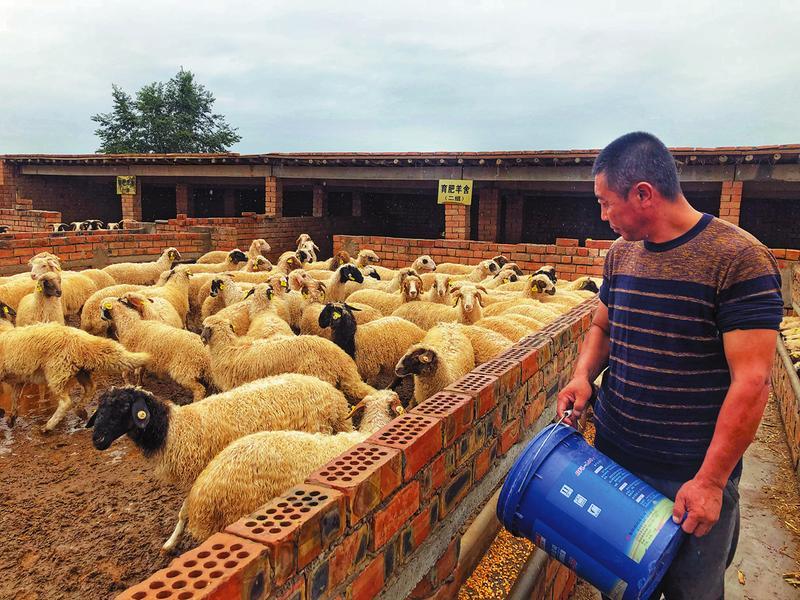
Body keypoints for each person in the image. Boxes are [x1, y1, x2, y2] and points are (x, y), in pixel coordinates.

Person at [557, 132, 783, 599]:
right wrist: (582, 377)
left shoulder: (738, 259)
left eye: (606, 203)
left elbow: (753, 381)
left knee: (692, 591)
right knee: (621, 586)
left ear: (643, 194)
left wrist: (711, 482)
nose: (603, 216)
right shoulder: (621, 255)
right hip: (616, 463)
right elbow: (603, 326)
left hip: (688, 477)